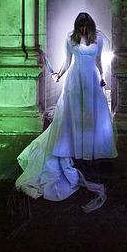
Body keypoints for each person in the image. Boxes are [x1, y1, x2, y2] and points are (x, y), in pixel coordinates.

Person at [15, 11, 117, 212]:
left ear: (91, 25)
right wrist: (60, 74)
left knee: (92, 117)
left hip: (91, 80)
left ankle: (91, 150)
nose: (84, 30)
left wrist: (103, 76)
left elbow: (98, 62)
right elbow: (68, 60)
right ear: (78, 26)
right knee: (72, 116)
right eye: (81, 27)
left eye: (86, 26)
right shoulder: (71, 39)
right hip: (75, 80)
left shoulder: (98, 40)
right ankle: (74, 149)